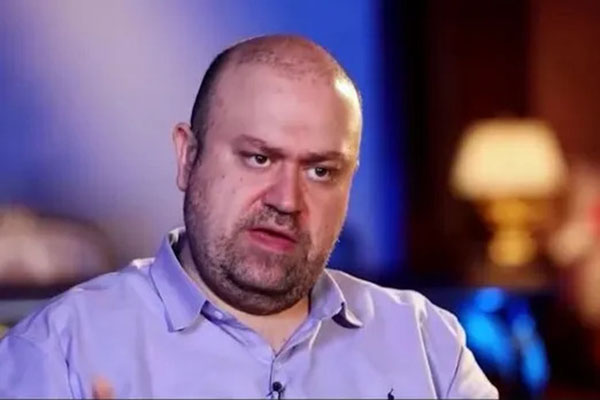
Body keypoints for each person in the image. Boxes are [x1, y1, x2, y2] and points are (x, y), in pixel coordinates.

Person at [0, 35, 498, 399]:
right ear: (187, 156)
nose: (287, 200)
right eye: (259, 158)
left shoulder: (428, 344)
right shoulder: (60, 352)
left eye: (321, 171)